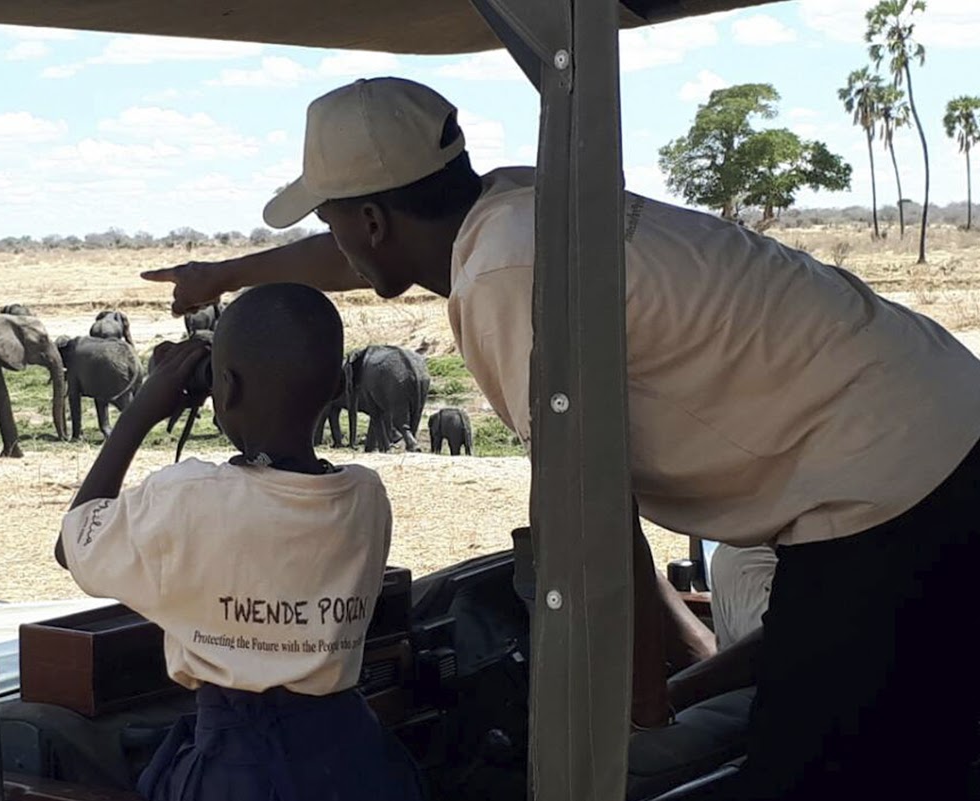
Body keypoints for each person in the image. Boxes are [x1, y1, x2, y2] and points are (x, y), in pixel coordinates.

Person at [142, 76, 980, 800]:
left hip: (888, 482)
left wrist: (639, 697)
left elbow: (589, 503)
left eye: (332, 220)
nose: (336, 241)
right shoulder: (513, 208)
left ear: (370, 220)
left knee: (818, 768)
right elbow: (355, 255)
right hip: (925, 424)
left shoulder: (507, 275)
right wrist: (226, 276)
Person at [54, 282, 423, 801]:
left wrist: (140, 412)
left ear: (224, 388)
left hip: (238, 769)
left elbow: (73, 544)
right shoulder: (367, 495)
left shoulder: (188, 496)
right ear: (341, 386)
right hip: (352, 757)